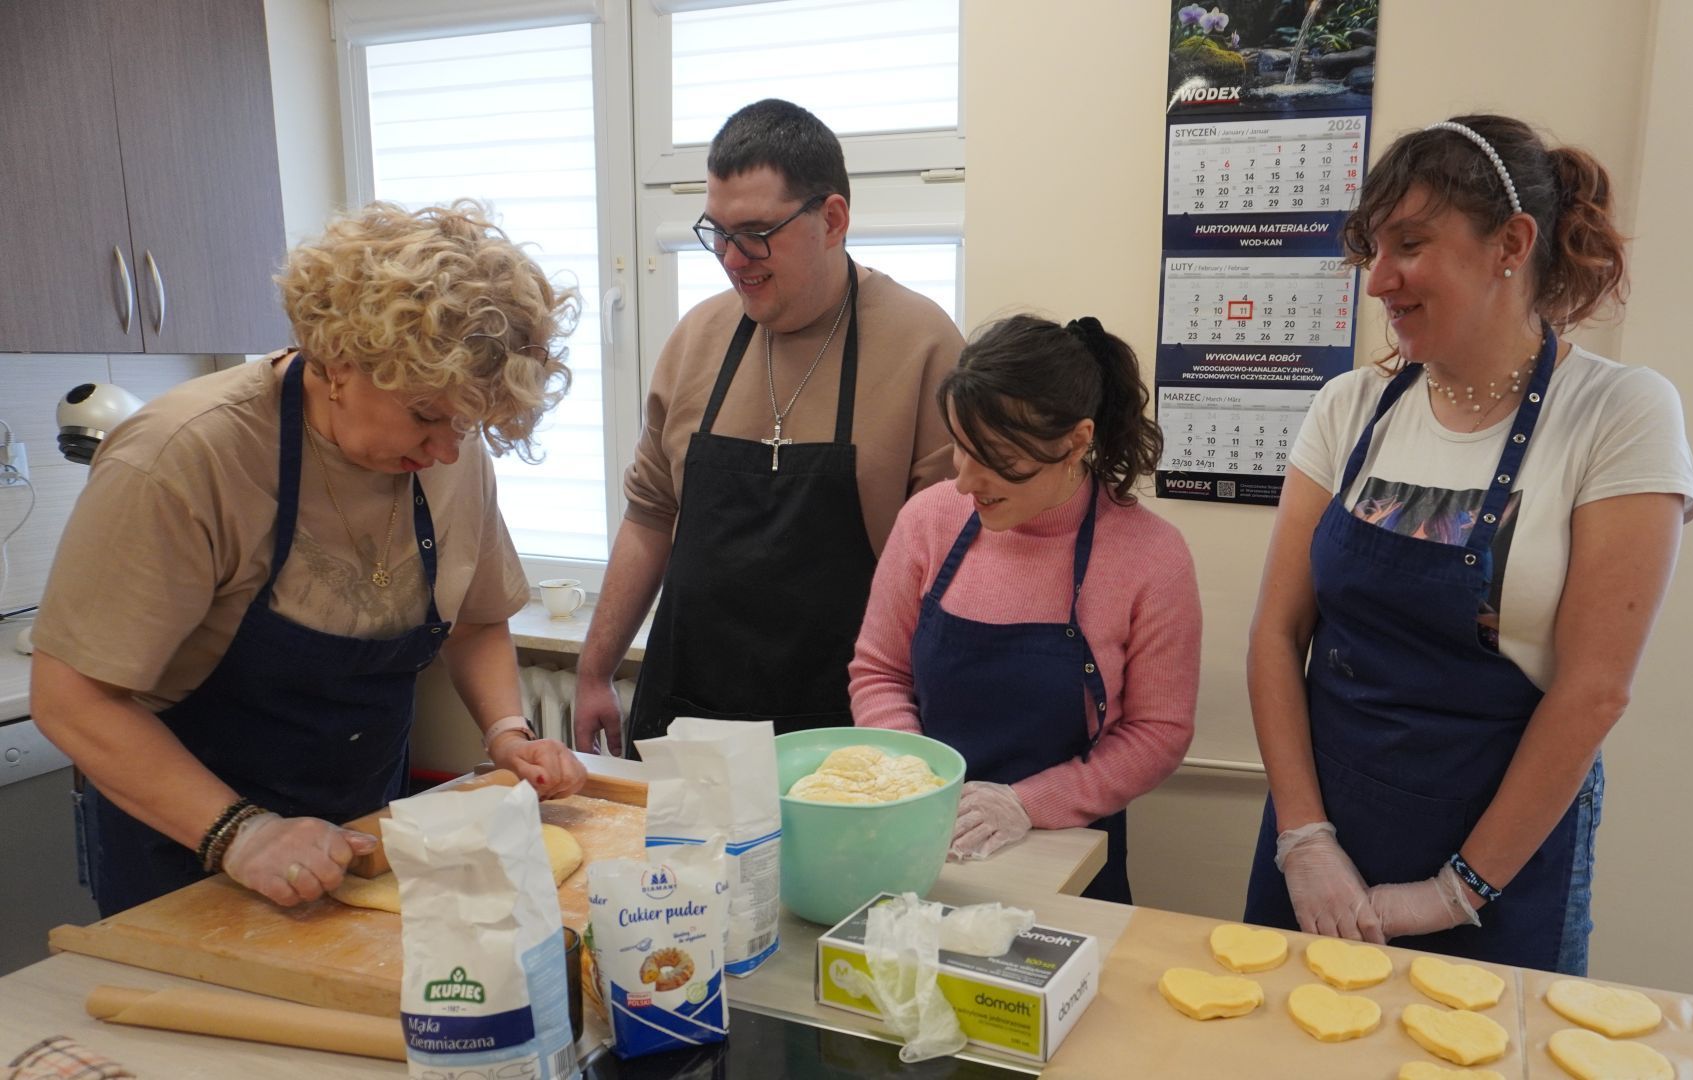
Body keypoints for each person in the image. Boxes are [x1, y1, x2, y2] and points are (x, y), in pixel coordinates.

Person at [31, 201, 589, 917]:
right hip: (183, 848)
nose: (449, 449)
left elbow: (475, 620)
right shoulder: (182, 458)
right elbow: (71, 697)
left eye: (468, 422)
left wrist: (508, 733)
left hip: (362, 837)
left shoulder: (451, 455)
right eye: (425, 414)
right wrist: (243, 834)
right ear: (338, 362)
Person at [1241, 115, 1693, 973]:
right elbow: (1274, 633)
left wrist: (1455, 891)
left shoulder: (1618, 413)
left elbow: (1595, 691)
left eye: (1409, 244)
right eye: (1373, 249)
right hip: (1323, 840)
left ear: (1511, 244)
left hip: (1498, 867)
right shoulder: (1350, 405)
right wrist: (1304, 839)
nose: (1378, 280)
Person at [572, 99, 963, 754]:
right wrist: (592, 670)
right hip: (688, 717)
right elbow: (648, 518)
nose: (731, 258)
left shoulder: (923, 346)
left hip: (841, 732)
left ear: (832, 219)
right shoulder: (697, 338)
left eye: (755, 232)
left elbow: (942, 571)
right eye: (716, 231)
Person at [849, 315, 1202, 904]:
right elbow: (880, 672)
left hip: (1067, 858)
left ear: (1076, 442)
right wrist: (917, 785)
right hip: (920, 844)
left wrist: (1026, 804)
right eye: (960, 448)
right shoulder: (928, 522)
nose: (965, 482)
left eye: (998, 460)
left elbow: (1157, 731)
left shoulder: (1151, 556)